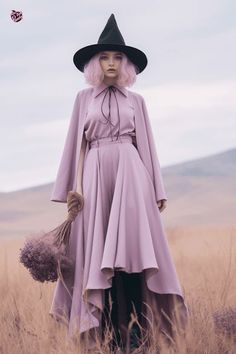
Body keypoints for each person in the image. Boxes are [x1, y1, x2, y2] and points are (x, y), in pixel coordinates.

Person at [49, 13, 189, 353]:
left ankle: (137, 337)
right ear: (95, 63)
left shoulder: (137, 102)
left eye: (117, 57)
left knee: (134, 258)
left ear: (126, 64)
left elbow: (147, 146)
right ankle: (107, 336)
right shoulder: (82, 100)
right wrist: (70, 190)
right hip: (96, 182)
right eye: (104, 57)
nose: (111, 63)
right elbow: (73, 145)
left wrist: (157, 190)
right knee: (99, 260)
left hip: (132, 180)